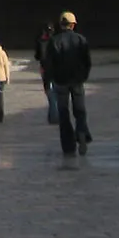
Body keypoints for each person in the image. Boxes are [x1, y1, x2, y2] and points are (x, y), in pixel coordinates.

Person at [44, 10, 93, 155]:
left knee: (64, 113)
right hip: (77, 80)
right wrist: (83, 76)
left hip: (61, 81)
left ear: (61, 25)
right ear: (73, 25)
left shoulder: (54, 41)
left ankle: (68, 145)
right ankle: (82, 133)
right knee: (80, 110)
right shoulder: (81, 40)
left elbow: (49, 64)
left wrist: (48, 80)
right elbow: (87, 62)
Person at [33, 21, 58, 124]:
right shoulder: (57, 40)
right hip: (56, 70)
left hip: (45, 70)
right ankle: (54, 116)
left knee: (49, 93)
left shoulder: (40, 41)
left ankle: (52, 116)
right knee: (55, 94)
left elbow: (37, 56)